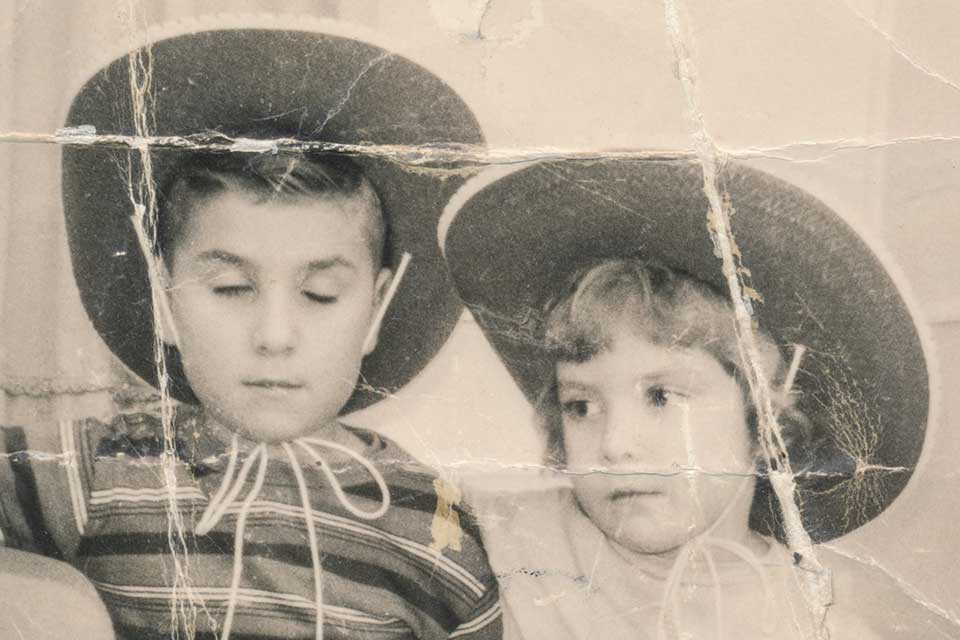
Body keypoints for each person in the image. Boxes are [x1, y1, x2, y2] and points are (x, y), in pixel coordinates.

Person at [1, 26, 500, 640]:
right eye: (232, 289)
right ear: (165, 300)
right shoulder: (99, 472)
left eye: (319, 294)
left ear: (375, 310)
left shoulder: (433, 526)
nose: (275, 335)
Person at [439, 159, 956, 638]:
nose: (615, 445)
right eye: (581, 406)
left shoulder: (816, 625)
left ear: (765, 421)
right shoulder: (485, 537)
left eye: (661, 396)